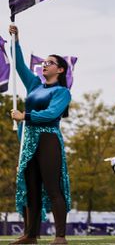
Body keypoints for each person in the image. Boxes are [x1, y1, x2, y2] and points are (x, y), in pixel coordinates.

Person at [9, 24, 72, 245]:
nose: (44, 65)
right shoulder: (35, 85)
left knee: (53, 187)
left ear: (61, 70)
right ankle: (31, 235)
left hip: (48, 139)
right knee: (31, 187)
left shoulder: (62, 92)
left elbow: (51, 114)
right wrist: (16, 40)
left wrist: (24, 116)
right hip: (29, 140)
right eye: (43, 62)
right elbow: (18, 66)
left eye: (50, 63)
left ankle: (60, 236)